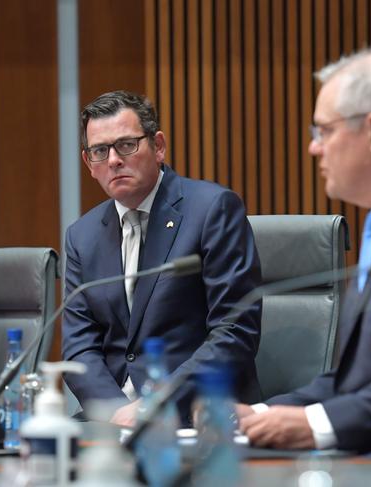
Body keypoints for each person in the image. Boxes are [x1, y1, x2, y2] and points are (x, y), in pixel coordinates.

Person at [238, 49, 371, 463]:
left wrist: (316, 426)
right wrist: (259, 414)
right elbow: (360, 380)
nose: (313, 147)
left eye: (323, 130)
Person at [62, 90, 262, 426]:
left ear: (158, 146)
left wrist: (153, 406)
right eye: (100, 151)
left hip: (195, 415)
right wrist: (116, 414)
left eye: (126, 145)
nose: (113, 160)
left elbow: (233, 330)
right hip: (113, 421)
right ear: (89, 164)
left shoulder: (212, 210)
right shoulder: (82, 236)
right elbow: (79, 346)